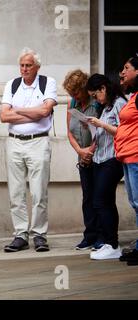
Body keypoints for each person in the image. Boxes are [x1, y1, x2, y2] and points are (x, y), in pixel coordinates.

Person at [0, 47, 57, 252]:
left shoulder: (47, 83)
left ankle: (39, 234)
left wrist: (19, 110)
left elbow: (45, 111)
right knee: (16, 192)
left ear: (37, 67)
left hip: (38, 142)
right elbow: (4, 116)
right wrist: (34, 113)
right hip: (14, 142)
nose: (24, 69)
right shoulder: (12, 85)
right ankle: (20, 234)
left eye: (28, 65)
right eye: (22, 65)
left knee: (38, 192)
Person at [86, 73, 126, 260]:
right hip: (100, 159)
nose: (95, 99)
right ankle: (110, 243)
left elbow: (123, 131)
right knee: (104, 201)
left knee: (101, 201)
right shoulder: (105, 107)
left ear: (103, 88)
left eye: (95, 94)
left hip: (113, 159)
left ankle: (113, 243)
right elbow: (104, 133)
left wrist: (100, 123)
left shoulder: (119, 103)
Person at [62, 69, 103, 250]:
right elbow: (69, 131)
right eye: (71, 94)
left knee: (100, 197)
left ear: (85, 88)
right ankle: (90, 235)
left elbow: (102, 131)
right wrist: (80, 150)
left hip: (99, 156)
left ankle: (103, 235)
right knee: (87, 197)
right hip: (82, 156)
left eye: (76, 92)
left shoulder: (97, 103)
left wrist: (90, 151)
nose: (74, 97)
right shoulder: (73, 102)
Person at [115, 56, 138, 265]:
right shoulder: (133, 95)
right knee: (135, 202)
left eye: (127, 68)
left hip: (136, 156)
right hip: (128, 156)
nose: (122, 72)